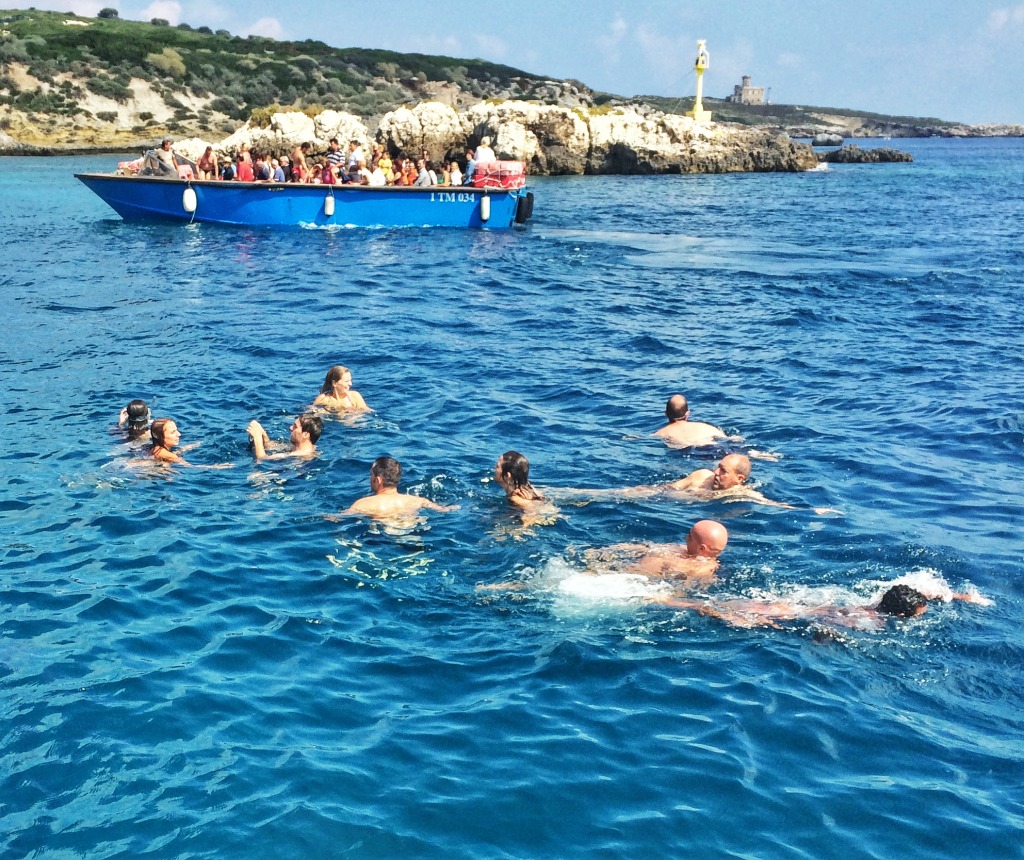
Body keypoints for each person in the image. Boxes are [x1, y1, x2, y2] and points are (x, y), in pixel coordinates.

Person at [662, 582, 991, 630]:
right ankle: (665, 600)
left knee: (725, 604)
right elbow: (826, 629)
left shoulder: (879, 600)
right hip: (802, 615)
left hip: (796, 603)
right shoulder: (874, 623)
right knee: (729, 616)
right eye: (921, 610)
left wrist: (964, 597)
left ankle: (671, 597)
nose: (926, 609)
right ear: (901, 614)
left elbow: (922, 594)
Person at [585, 519, 729, 582]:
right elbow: (650, 548)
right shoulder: (682, 549)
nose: (685, 538)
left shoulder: (702, 570)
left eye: (690, 536)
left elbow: (683, 592)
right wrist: (617, 549)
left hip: (633, 583)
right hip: (622, 571)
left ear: (701, 548)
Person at [342, 456, 457, 519]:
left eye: (371, 475)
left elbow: (341, 518)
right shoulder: (418, 501)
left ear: (378, 480)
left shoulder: (363, 504)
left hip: (384, 541)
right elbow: (444, 510)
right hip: (412, 537)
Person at [494, 451, 559, 526]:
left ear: (507, 476)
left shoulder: (515, 498)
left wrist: (522, 529)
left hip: (544, 515)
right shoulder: (528, 487)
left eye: (497, 466)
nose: (494, 468)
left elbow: (532, 510)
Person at [653, 394, 731, 447]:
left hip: (687, 452)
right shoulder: (706, 427)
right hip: (711, 448)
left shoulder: (662, 432)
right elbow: (731, 439)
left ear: (666, 414)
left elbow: (647, 439)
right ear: (687, 414)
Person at [147, 418, 229, 468]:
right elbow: (190, 466)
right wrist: (215, 467)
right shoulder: (168, 455)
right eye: (173, 432)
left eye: (177, 430)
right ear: (158, 435)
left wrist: (187, 448)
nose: (179, 434)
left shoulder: (154, 449)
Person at [246, 413, 322, 461]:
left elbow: (262, 458)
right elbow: (273, 446)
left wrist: (257, 437)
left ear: (305, 435)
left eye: (295, 426)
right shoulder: (307, 448)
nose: (291, 427)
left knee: (255, 476)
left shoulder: (297, 456)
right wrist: (263, 435)